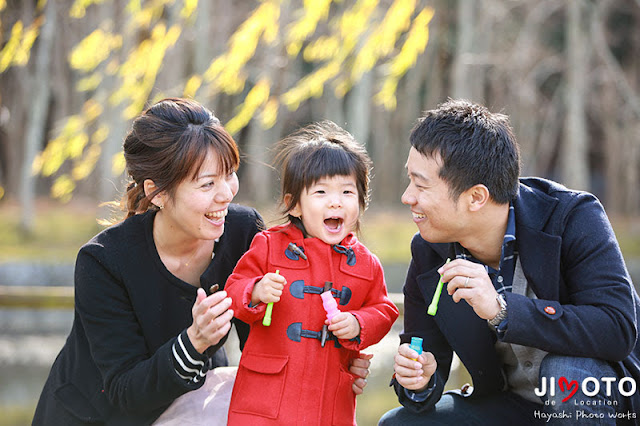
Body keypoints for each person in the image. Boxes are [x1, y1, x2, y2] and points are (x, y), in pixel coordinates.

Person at [32, 98, 371, 426]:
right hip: (98, 415)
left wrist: (329, 366)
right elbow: (123, 392)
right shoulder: (103, 261)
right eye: (208, 183)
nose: (226, 193)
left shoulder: (242, 233)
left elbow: (268, 342)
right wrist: (195, 341)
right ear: (157, 192)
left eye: (229, 175)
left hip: (197, 402)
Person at [379, 99, 640, 425]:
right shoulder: (430, 250)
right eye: (410, 180)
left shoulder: (572, 216)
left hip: (597, 399)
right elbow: (426, 355)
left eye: (421, 184)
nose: (407, 196)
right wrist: (419, 378)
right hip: (510, 406)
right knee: (399, 423)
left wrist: (503, 310)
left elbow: (616, 328)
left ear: (476, 197)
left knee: (566, 372)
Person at [224, 121, 399, 425]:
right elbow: (233, 289)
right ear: (294, 206)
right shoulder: (269, 245)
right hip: (266, 395)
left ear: (360, 202)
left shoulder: (365, 264)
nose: (336, 201)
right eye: (320, 191)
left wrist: (358, 323)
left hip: (329, 400)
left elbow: (384, 309)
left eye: (347, 191)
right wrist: (256, 290)